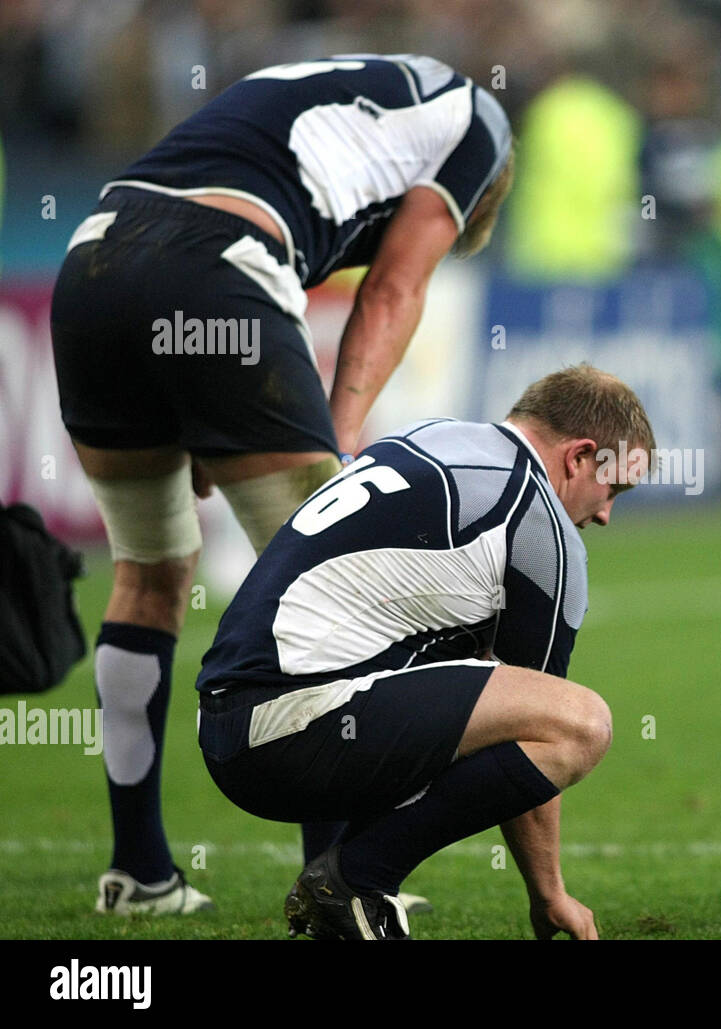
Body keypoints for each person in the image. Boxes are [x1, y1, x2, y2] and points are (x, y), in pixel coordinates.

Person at [49, 53, 514, 915]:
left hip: (93, 261)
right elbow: (393, 289)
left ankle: (141, 873)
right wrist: (340, 446)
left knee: (148, 573)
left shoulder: (331, 89)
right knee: (332, 592)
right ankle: (339, 877)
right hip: (220, 258)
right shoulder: (480, 125)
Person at [195, 365, 654, 940]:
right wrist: (549, 893)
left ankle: (343, 889)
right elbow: (540, 719)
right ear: (580, 456)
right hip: (289, 731)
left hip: (225, 726)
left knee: (412, 663)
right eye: (613, 489)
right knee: (582, 723)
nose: (606, 514)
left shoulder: (429, 435)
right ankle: (356, 880)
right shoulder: (538, 521)